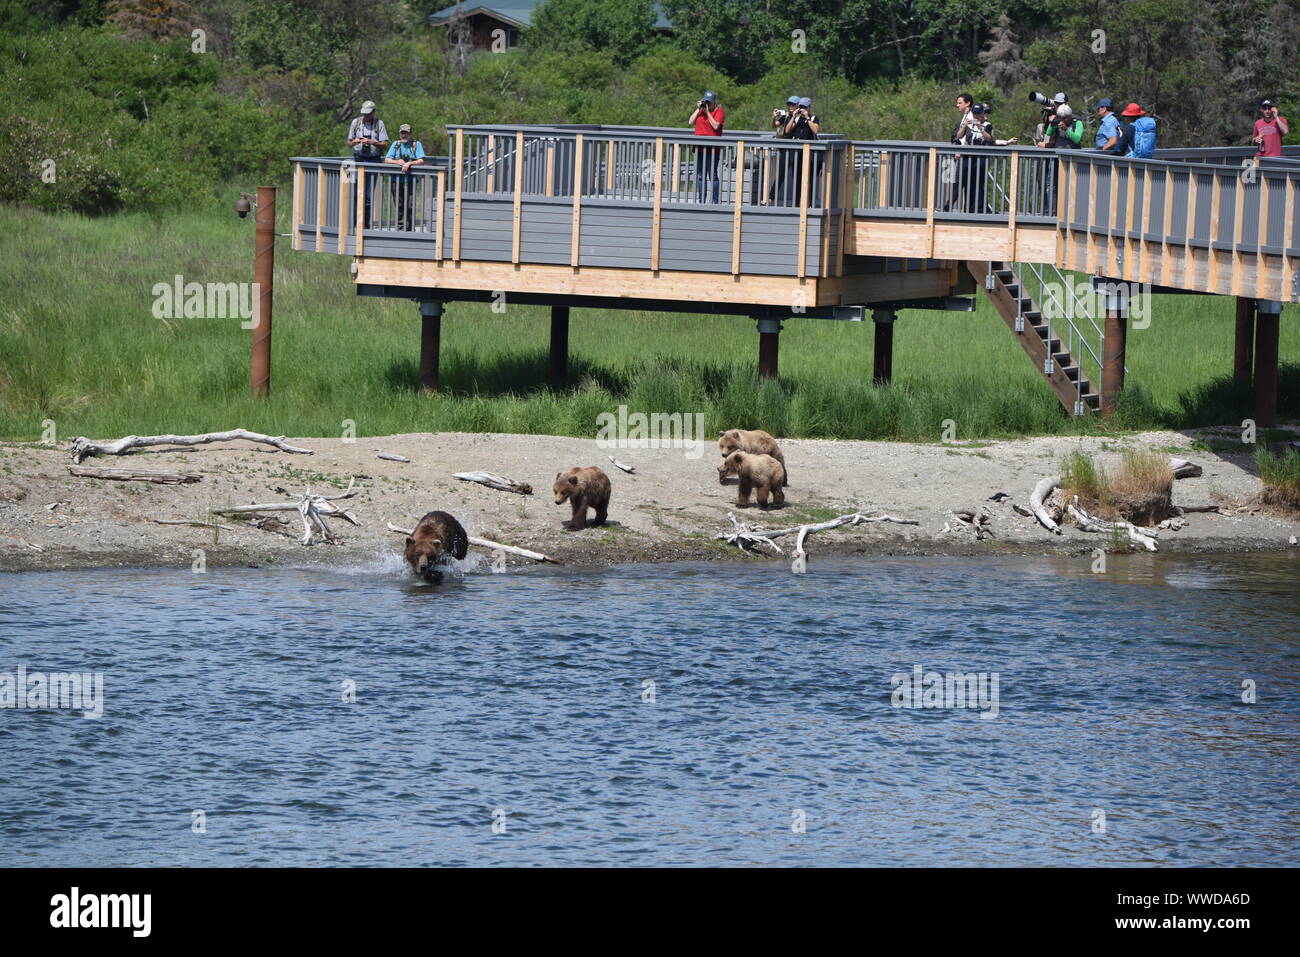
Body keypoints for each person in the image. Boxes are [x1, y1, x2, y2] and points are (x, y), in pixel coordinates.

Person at [346, 101, 388, 227]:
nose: (366, 116)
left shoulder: (379, 124)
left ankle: (366, 225)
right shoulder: (356, 122)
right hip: (358, 160)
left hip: (373, 161)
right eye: (364, 114)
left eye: (368, 114)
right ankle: (355, 223)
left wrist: (371, 142)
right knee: (356, 193)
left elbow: (385, 144)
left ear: (373, 112)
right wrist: (356, 141)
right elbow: (348, 142)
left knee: (368, 196)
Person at [383, 124, 425, 231]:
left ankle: (409, 228)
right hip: (395, 181)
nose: (404, 135)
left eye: (406, 133)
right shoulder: (395, 144)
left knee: (410, 205)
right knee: (399, 205)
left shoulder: (416, 144)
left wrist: (410, 163)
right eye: (402, 133)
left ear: (410, 134)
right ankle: (401, 228)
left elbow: (421, 160)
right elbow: (387, 160)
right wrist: (397, 161)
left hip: (411, 181)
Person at [689, 90, 725, 203]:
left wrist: (708, 112)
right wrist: (699, 109)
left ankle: (715, 201)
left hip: (713, 149)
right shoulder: (700, 111)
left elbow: (715, 126)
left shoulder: (719, 112)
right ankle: (701, 201)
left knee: (712, 175)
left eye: (710, 103)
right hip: (700, 148)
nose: (708, 105)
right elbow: (690, 122)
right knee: (701, 175)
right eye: (706, 102)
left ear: (714, 103)